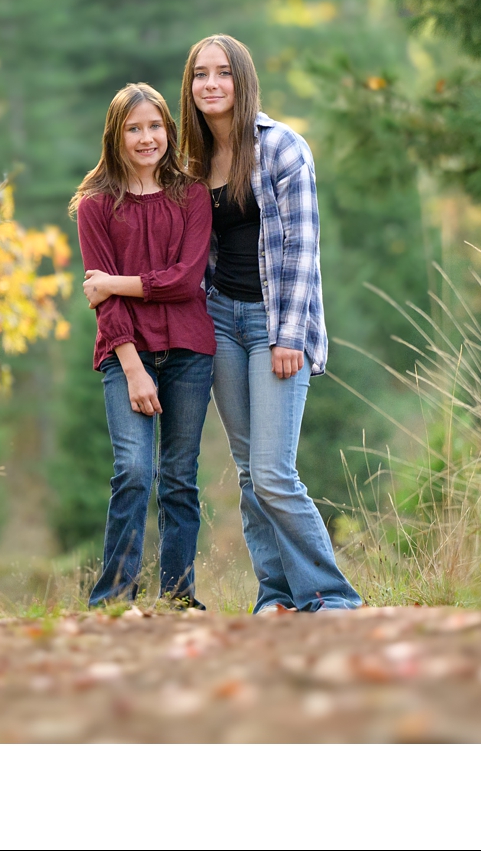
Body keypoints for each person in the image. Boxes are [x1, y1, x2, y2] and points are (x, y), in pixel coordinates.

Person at [179, 34, 362, 613]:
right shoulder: (191, 161)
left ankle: (332, 595)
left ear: (241, 79)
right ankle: (276, 596)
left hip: (272, 324)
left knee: (274, 472)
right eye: (200, 74)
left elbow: (303, 251)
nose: (211, 84)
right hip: (219, 322)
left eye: (222, 73)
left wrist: (289, 335)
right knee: (247, 472)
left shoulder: (282, 147)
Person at [72, 82, 215, 609]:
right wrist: (132, 369)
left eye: (155, 126)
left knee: (179, 477)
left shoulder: (193, 195)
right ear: (116, 135)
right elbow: (101, 302)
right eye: (134, 128)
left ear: (169, 131)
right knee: (133, 471)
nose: (146, 137)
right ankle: (112, 601)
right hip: (124, 351)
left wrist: (114, 280)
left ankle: (178, 600)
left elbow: (185, 281)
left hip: (188, 351)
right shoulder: (95, 205)